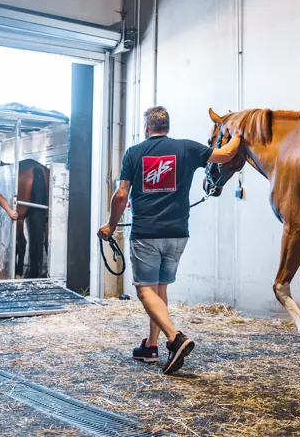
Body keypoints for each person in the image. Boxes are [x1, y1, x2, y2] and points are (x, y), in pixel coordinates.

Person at [98, 106, 241, 375]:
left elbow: (120, 195)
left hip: (147, 234)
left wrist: (111, 224)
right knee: (160, 289)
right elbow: (227, 154)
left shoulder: (134, 153)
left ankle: (175, 339)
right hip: (177, 234)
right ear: (167, 127)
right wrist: (238, 134)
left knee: (144, 290)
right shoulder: (186, 148)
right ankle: (151, 346)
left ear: (146, 127)